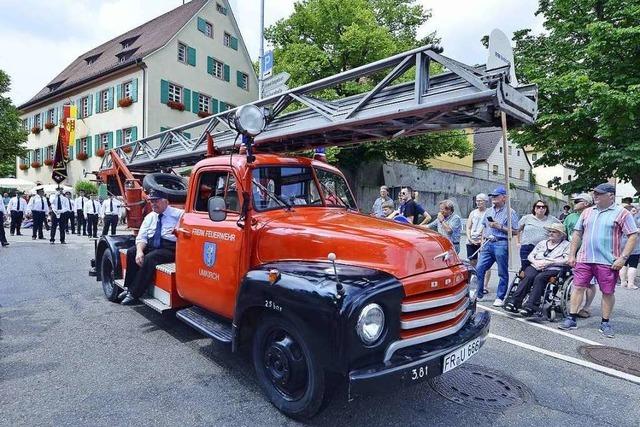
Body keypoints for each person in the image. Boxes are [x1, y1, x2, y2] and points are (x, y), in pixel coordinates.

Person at [559, 183, 638, 338]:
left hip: (608, 260)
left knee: (607, 292)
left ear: (610, 196)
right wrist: (572, 255)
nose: (595, 196)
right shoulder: (587, 212)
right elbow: (577, 234)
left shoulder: (622, 213)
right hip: (584, 258)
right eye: (594, 193)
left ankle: (605, 322)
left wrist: (623, 258)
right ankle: (571, 318)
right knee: (578, 287)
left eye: (599, 194)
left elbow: (633, 235)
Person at [120, 189, 184, 305]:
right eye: (151, 201)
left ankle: (134, 294)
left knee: (150, 258)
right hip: (152, 243)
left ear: (166, 202)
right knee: (132, 252)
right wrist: (139, 252)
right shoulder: (150, 216)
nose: (153, 204)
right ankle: (128, 288)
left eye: (156, 201)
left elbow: (187, 230)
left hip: (169, 247)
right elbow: (142, 236)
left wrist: (178, 230)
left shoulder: (179, 215)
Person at [504, 223, 570, 315]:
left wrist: (550, 262)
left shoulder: (567, 245)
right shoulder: (542, 243)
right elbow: (531, 255)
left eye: (554, 232)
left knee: (540, 278)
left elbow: (566, 259)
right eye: (550, 231)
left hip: (553, 268)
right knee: (529, 275)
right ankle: (514, 302)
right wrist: (536, 263)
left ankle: (531, 306)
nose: (550, 233)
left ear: (561, 234)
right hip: (536, 265)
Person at [474, 186, 519, 307]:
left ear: (504, 197)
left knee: (502, 272)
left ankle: (500, 296)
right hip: (488, 243)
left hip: (501, 242)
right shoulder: (488, 211)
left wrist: (500, 227)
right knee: (479, 268)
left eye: (496, 196)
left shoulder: (510, 212)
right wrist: (482, 242)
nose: (493, 198)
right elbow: (484, 227)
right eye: (492, 196)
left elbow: (515, 231)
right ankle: (478, 294)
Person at [563, 193, 597, 317]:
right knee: (575, 282)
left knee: (589, 283)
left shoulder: (593, 215)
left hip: (588, 253)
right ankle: (572, 306)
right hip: (571, 251)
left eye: (577, 201)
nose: (574, 203)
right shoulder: (570, 217)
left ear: (586, 203)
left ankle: (586, 307)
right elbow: (564, 233)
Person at [517, 200, 560, 270]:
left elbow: (560, 230)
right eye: (538, 207)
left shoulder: (552, 220)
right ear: (534, 208)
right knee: (525, 269)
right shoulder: (527, 218)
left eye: (543, 207)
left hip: (543, 249)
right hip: (527, 247)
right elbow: (517, 230)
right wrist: (518, 242)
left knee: (539, 268)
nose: (541, 208)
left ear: (546, 209)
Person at [466, 193, 492, 290]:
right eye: (477, 200)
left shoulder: (489, 212)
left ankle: (485, 285)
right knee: (472, 262)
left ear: (486, 201)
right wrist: (470, 238)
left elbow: (487, 227)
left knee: (485, 263)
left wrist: (482, 239)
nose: (478, 202)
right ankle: (473, 282)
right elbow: (468, 227)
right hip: (471, 240)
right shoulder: (473, 213)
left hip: (484, 240)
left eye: (481, 200)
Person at [619, 204, 640, 290]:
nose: (635, 212)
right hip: (634, 246)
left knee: (623, 264)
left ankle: (623, 282)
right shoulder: (635, 220)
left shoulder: (620, 219)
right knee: (633, 265)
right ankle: (631, 284)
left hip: (622, 245)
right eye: (633, 211)